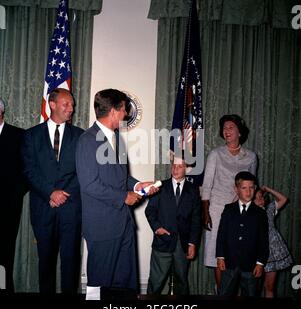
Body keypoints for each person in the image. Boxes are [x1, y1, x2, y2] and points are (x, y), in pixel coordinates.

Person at [75, 88, 157, 294]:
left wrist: (138, 186)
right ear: (113, 111)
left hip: (124, 225)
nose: (126, 114)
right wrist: (124, 196)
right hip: (102, 227)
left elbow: (121, 178)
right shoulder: (87, 140)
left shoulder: (117, 138)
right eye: (124, 110)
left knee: (124, 285)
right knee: (99, 287)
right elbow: (89, 184)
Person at [21, 88, 84, 294]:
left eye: (72, 105)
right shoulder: (31, 135)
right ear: (52, 104)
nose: (71, 109)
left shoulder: (80, 136)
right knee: (45, 263)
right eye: (66, 104)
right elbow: (29, 171)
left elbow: (83, 172)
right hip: (43, 208)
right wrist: (50, 192)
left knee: (70, 264)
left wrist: (62, 195)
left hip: (71, 210)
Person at [201, 114, 257, 291]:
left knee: (241, 253)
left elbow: (253, 185)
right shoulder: (215, 154)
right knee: (218, 255)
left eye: (231, 127)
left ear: (240, 132)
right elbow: (207, 185)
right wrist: (206, 212)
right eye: (224, 128)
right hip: (217, 211)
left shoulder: (251, 157)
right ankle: (221, 294)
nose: (227, 131)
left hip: (242, 211)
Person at [145, 157, 201, 295]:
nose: (175, 169)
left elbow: (196, 219)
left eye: (180, 166)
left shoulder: (193, 191)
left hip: (182, 245)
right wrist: (157, 227)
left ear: (186, 169)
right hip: (162, 241)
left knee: (181, 281)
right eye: (173, 166)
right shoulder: (160, 187)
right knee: (156, 282)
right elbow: (150, 210)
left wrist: (193, 243)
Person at [216, 171, 269, 297]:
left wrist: (260, 263)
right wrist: (220, 256)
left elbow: (263, 241)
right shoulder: (228, 209)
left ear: (255, 188)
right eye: (244, 188)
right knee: (224, 293)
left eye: (251, 188)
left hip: (250, 266)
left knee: (250, 294)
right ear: (236, 189)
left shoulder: (260, 213)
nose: (248, 191)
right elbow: (221, 234)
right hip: (230, 262)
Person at [0, 98, 26, 292]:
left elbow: (27, 172)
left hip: (7, 208)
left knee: (4, 253)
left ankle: (2, 288)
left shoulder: (19, 136)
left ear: (1, 112)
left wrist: (14, 195)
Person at [254, 186, 293, 298]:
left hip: (273, 252)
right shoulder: (248, 213)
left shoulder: (269, 209)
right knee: (253, 288)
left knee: (270, 286)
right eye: (256, 198)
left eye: (261, 197)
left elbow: (284, 199)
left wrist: (268, 189)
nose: (260, 199)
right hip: (256, 254)